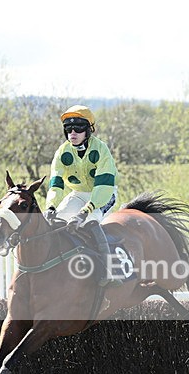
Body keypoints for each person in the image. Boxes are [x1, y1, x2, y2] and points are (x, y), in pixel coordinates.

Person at [45, 104, 121, 287]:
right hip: (78, 194)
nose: (73, 132)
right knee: (57, 221)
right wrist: (51, 206)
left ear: (88, 130)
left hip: (103, 194)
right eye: (68, 128)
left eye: (78, 128)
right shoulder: (62, 152)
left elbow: (103, 186)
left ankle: (109, 271)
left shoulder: (101, 149)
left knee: (90, 221)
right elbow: (56, 182)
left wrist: (86, 211)